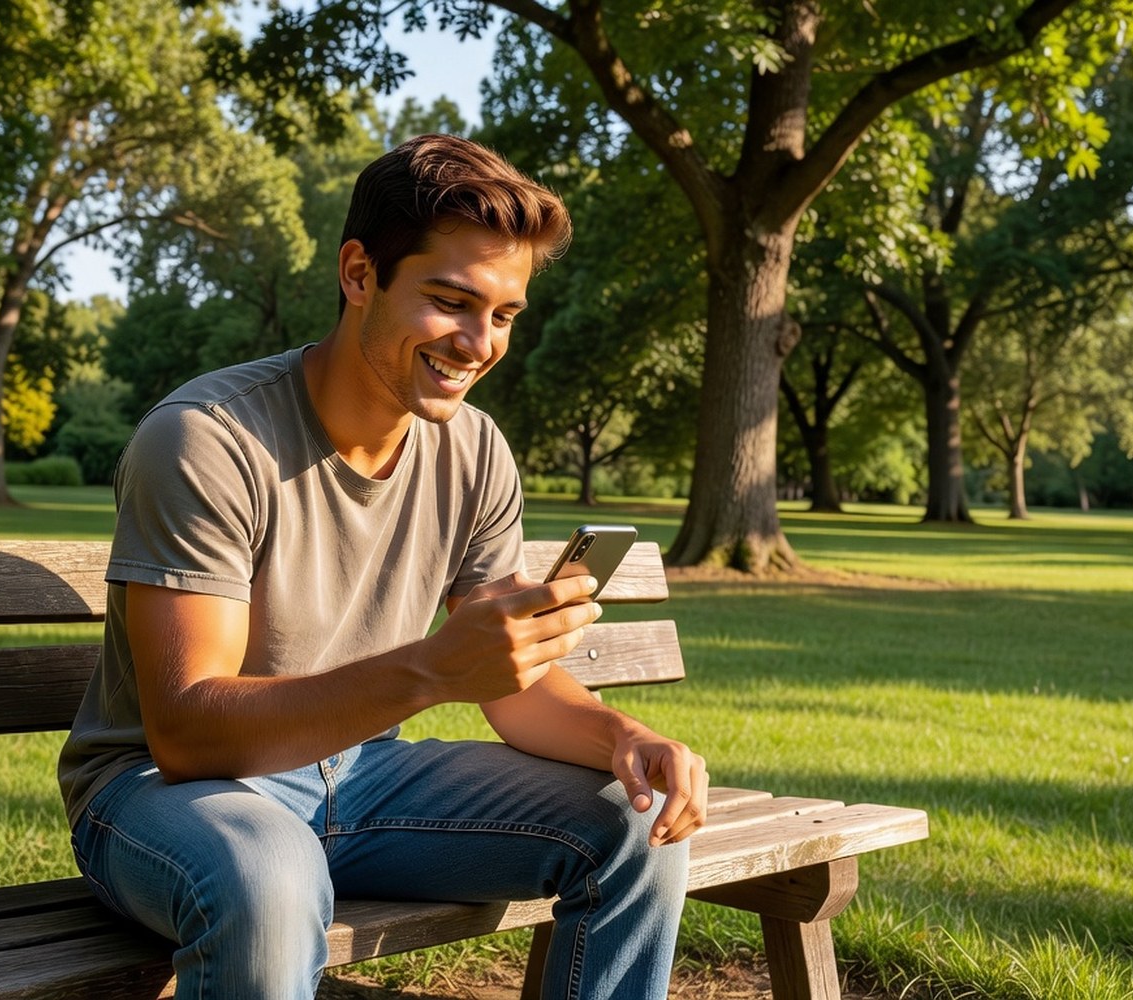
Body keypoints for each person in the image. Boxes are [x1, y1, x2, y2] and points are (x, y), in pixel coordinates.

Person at [57, 133, 709, 1000]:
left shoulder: (475, 451)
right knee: (268, 878)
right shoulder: (207, 440)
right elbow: (187, 731)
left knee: (633, 829)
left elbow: (509, 683)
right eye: (450, 301)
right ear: (360, 274)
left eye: (505, 315)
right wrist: (431, 669)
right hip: (162, 797)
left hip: (361, 777)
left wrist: (624, 738)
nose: (479, 343)